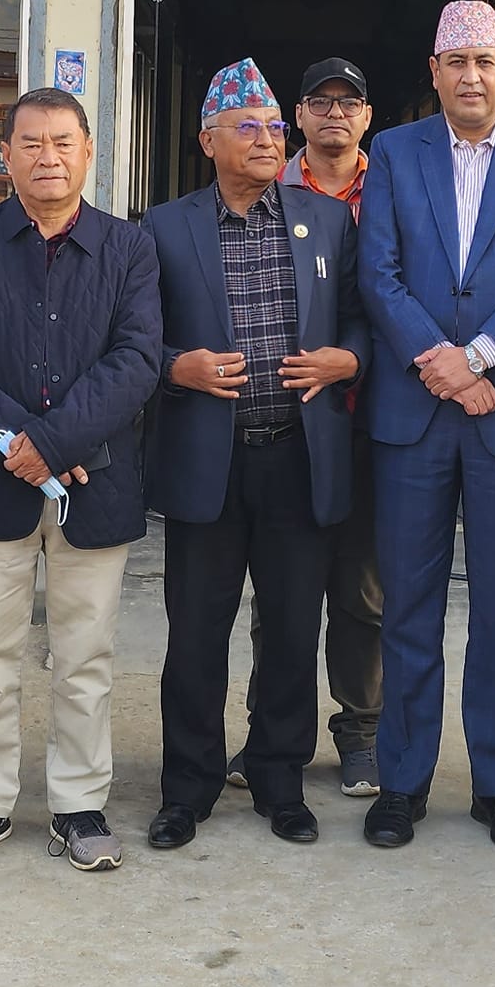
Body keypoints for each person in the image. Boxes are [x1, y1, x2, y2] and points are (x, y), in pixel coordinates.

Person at [356, 1, 495, 855]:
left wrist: (478, 358)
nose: (472, 76)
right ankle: (402, 781)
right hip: (414, 413)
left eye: (487, 60)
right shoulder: (393, 152)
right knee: (407, 606)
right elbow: (377, 273)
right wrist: (439, 363)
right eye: (456, 61)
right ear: (435, 71)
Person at [0, 89, 161, 874]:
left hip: (97, 482)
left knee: (85, 655)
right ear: (6, 155)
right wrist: (17, 443)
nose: (47, 157)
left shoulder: (129, 248)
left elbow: (136, 360)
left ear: (89, 151)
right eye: (30, 142)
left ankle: (79, 804)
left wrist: (53, 443)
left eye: (62, 142)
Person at [144, 59, 368, 850]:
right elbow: (133, 336)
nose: (269, 139)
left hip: (296, 459)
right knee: (195, 636)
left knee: (293, 629)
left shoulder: (329, 221)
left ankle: (279, 779)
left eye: (276, 126)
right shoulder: (164, 227)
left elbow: (361, 317)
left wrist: (348, 358)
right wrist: (177, 366)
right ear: (209, 140)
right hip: (207, 462)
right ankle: (188, 787)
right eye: (249, 126)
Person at [233, 57, 383, 799]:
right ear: (297, 116)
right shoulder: (268, 185)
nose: (334, 113)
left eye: (348, 102)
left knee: (362, 590)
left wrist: (352, 359)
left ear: (366, 117)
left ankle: (363, 732)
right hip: (287, 428)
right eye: (319, 102)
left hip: (369, 422)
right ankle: (269, 732)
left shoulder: (393, 190)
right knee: (280, 595)